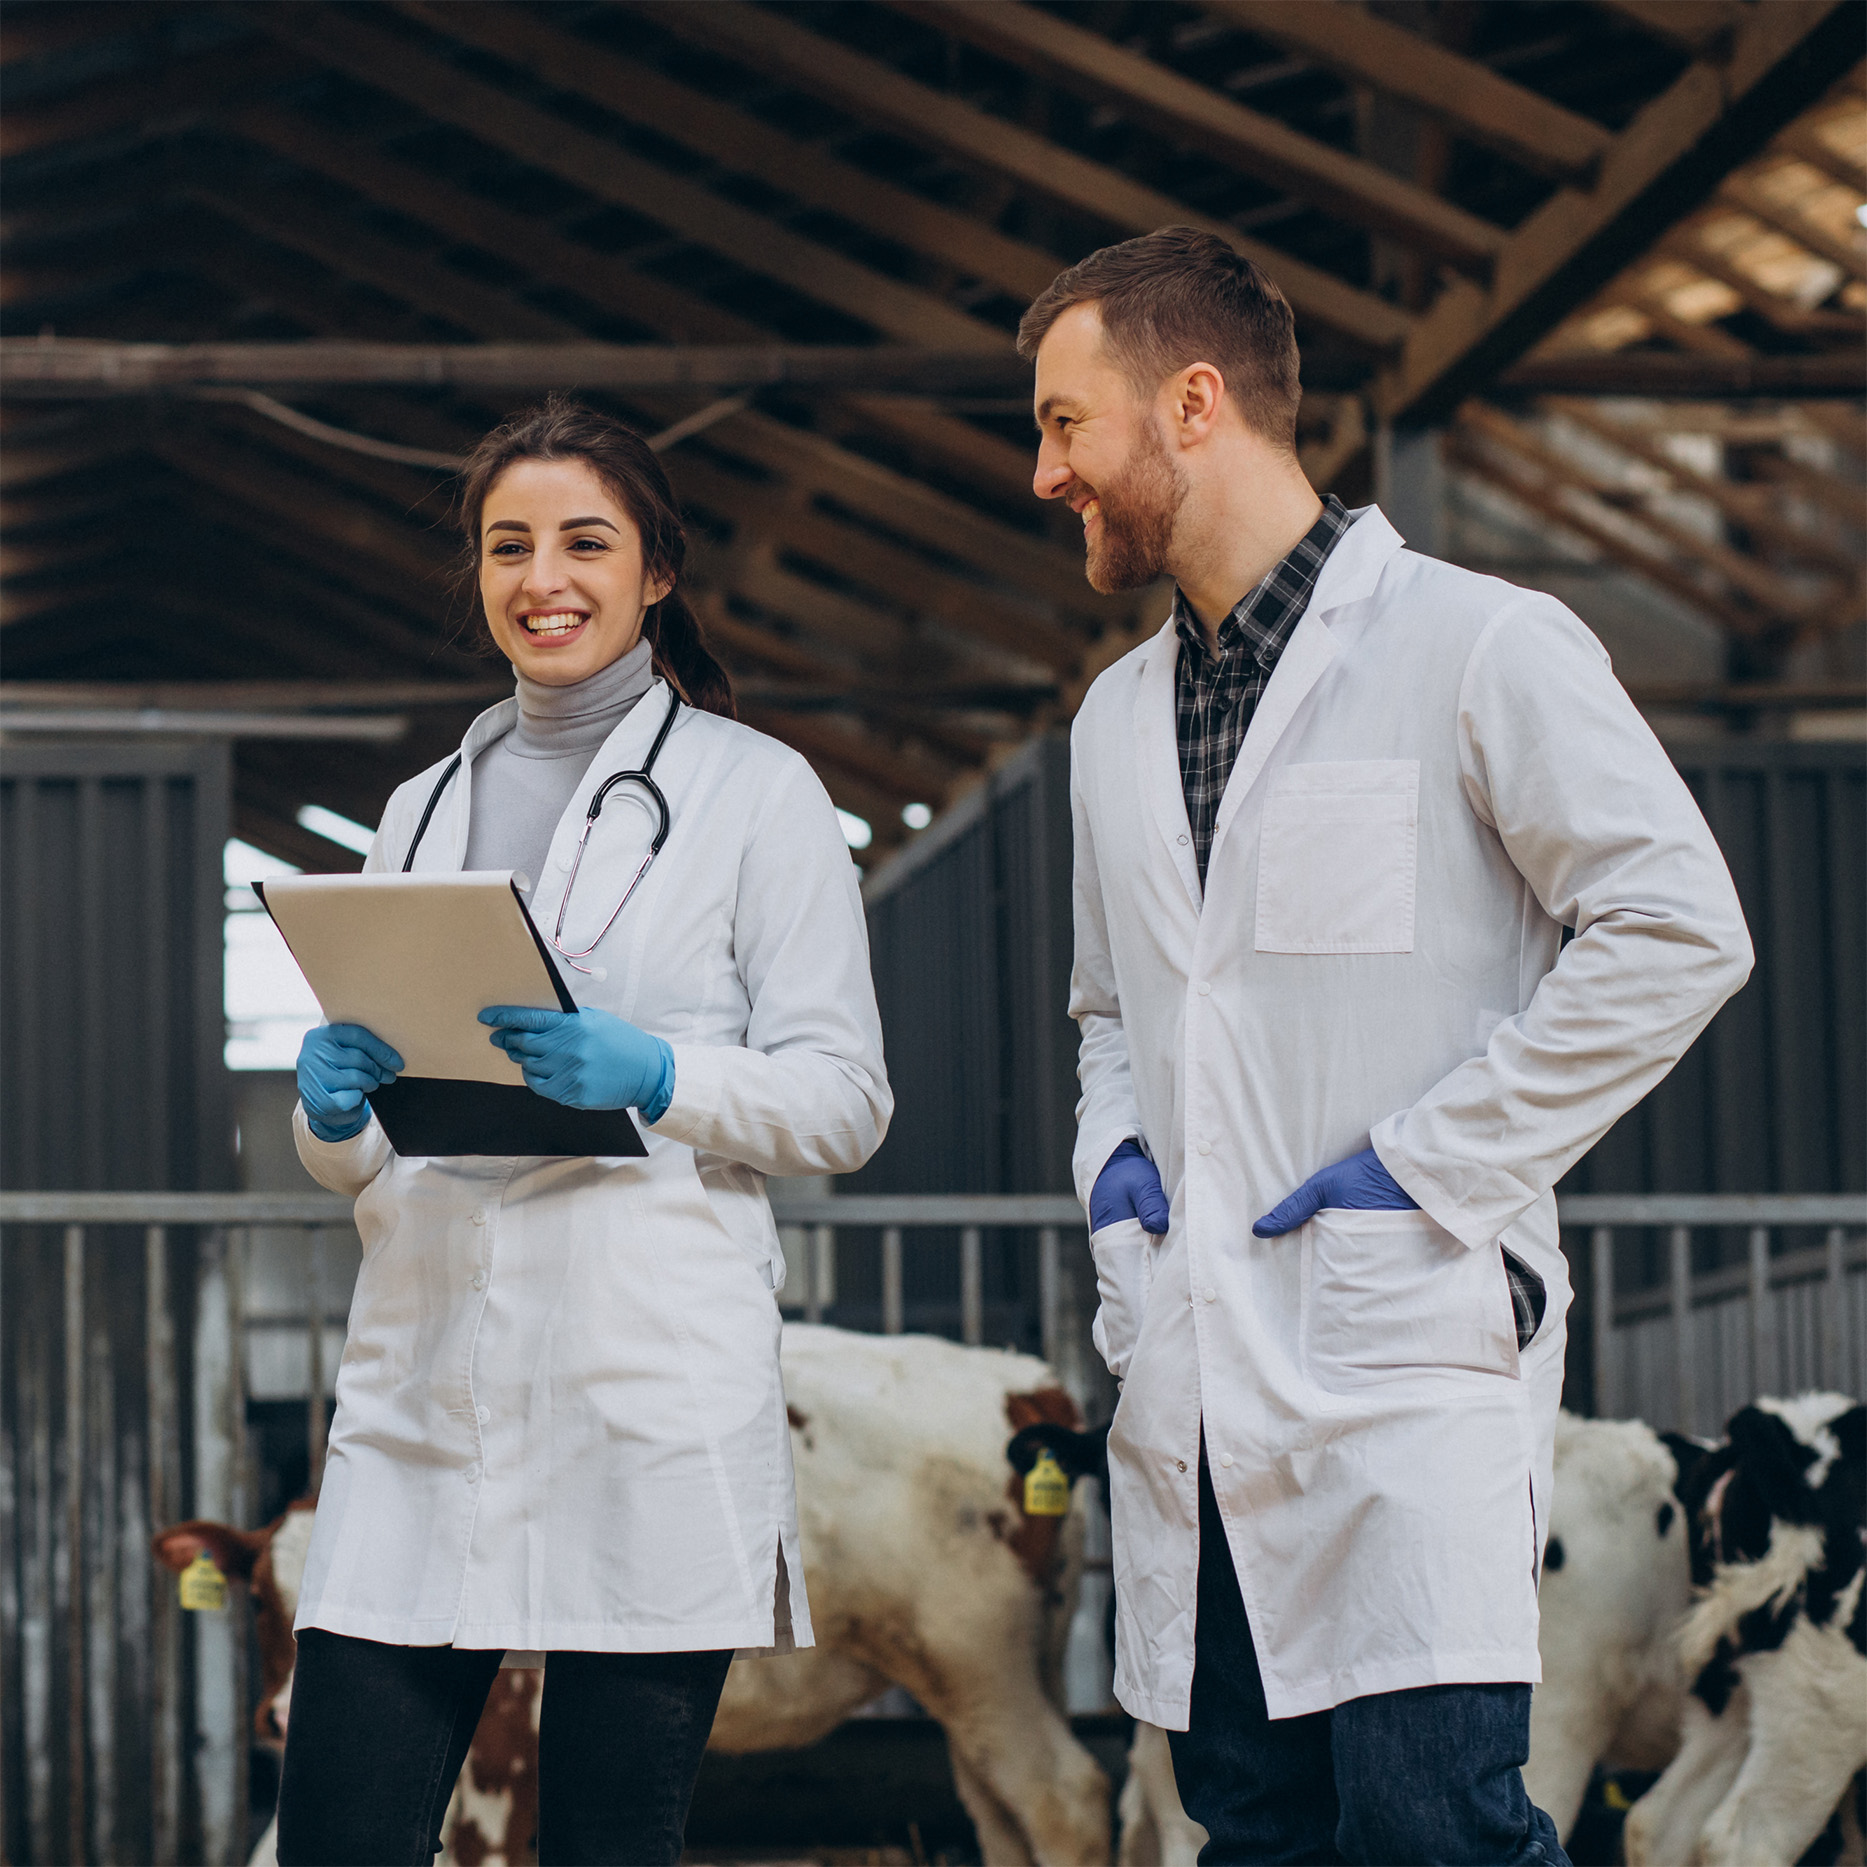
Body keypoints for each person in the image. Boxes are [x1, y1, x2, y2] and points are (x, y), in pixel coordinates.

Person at [1026, 229, 1752, 1867]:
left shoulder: (1479, 645)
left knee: (1436, 1834)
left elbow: (1679, 929)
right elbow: (1111, 1011)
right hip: (1198, 1375)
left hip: (1399, 1351)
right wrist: (1116, 1168)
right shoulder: (1113, 720)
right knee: (1254, 1832)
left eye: (1067, 424)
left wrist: (1430, 1169)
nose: (1045, 472)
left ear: (1193, 403)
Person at [277, 398, 892, 1867]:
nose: (541, 579)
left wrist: (660, 1076)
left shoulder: (757, 793)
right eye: (509, 547)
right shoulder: (417, 810)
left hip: (641, 1394)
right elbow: (377, 1149)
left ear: (657, 571)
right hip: (425, 1389)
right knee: (337, 1841)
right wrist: (331, 1117)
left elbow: (846, 1099)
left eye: (584, 543)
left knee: (610, 1848)